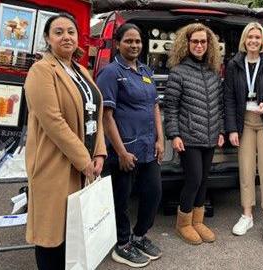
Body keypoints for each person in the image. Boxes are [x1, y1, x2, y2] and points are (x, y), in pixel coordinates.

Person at [24, 13, 106, 270]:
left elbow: (95, 112)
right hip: (55, 165)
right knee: (52, 236)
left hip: (85, 165)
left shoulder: (80, 70)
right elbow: (53, 122)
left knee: (76, 233)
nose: (66, 37)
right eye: (58, 32)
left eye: (70, 31)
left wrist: (100, 152)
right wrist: (84, 160)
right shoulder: (41, 71)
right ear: (47, 39)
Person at [96, 23, 164, 268]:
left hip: (148, 147)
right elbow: (106, 116)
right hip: (123, 150)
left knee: (153, 193)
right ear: (118, 43)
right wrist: (121, 152)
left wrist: (160, 138)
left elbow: (155, 106)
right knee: (121, 199)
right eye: (129, 41)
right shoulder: (111, 73)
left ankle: (140, 235)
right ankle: (122, 243)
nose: (134, 45)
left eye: (137, 41)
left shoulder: (145, 70)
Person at [224, 22, 263, 242]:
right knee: (246, 171)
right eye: (250, 37)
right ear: (244, 39)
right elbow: (229, 99)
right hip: (245, 124)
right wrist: (232, 128)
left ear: (262, 41)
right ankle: (247, 216)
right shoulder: (234, 65)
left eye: (257, 37)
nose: (253, 41)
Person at [164, 23, 225, 245]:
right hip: (188, 136)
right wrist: (174, 135)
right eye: (195, 41)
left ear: (209, 45)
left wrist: (220, 130)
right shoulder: (178, 72)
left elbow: (218, 105)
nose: (199, 45)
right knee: (194, 179)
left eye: (203, 41)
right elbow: (171, 107)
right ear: (186, 44)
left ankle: (198, 221)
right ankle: (183, 224)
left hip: (209, 136)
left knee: (204, 180)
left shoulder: (212, 72)